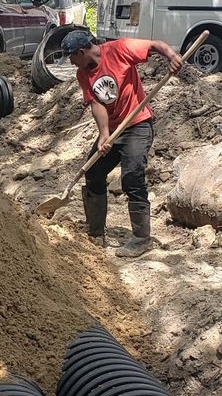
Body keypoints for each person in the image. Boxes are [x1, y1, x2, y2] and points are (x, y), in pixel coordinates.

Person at [62, 29, 182, 258]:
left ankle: (141, 239)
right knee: (94, 172)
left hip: (137, 124)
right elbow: (97, 104)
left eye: (71, 57)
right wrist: (104, 134)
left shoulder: (119, 49)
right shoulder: (83, 74)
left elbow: (154, 44)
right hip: (115, 129)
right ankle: (95, 231)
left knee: (132, 177)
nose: (70, 62)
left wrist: (172, 56)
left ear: (81, 52)